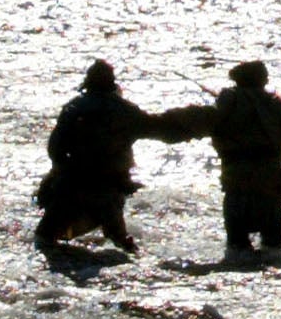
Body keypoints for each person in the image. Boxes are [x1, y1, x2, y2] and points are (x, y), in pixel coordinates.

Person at [160, 60, 281, 255]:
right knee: (273, 243)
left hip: (236, 177)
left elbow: (198, 121)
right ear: (262, 80)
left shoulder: (225, 105)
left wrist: (163, 126)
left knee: (237, 244)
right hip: (269, 178)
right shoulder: (276, 105)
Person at [31, 60, 188, 253]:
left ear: (87, 84)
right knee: (121, 241)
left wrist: (59, 171)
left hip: (72, 182)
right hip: (110, 184)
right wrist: (188, 125)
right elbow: (158, 130)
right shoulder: (125, 109)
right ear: (112, 85)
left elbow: (55, 148)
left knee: (44, 239)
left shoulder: (74, 107)